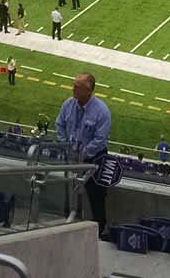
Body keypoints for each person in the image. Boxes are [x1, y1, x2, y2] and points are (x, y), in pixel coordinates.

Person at [55, 73, 112, 234]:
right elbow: (59, 124)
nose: (73, 89)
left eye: (77, 87)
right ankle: (70, 219)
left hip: (95, 159)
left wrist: (83, 154)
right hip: (71, 154)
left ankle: (99, 228)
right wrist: (65, 145)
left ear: (88, 91)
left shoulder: (102, 111)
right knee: (70, 187)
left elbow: (100, 139)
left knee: (96, 194)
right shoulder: (68, 104)